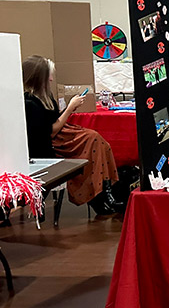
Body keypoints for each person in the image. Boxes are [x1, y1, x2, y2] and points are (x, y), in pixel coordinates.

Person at [22, 55, 119, 216]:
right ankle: (98, 195)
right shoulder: (30, 103)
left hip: (60, 134)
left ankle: (104, 191)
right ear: (40, 78)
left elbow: (52, 120)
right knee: (92, 140)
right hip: (52, 142)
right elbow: (50, 131)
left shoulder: (45, 97)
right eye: (49, 76)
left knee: (98, 142)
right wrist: (70, 108)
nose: (52, 79)